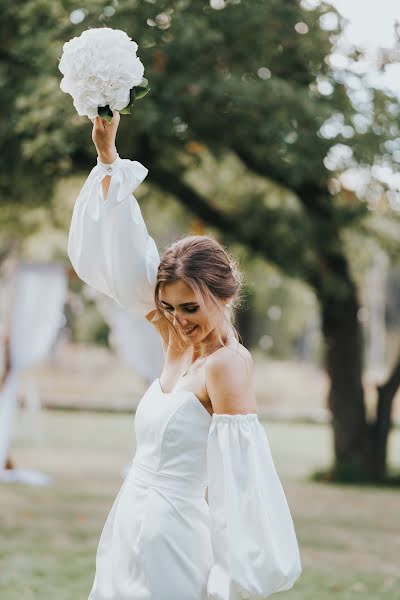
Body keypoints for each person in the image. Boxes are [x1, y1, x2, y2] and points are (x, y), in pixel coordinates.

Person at [68, 111, 302, 600]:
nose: (178, 319)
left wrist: (228, 576)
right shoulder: (177, 341)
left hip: (174, 538)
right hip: (129, 523)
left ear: (223, 296)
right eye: (170, 307)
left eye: (191, 307)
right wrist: (108, 157)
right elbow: (127, 264)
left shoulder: (227, 366)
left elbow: (240, 480)